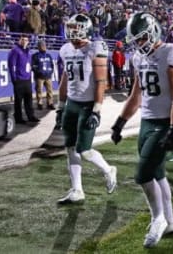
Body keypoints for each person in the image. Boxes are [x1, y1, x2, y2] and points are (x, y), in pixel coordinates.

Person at [109, 12, 173, 248]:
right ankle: (170, 221)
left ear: (153, 32)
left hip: (163, 122)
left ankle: (158, 219)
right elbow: (136, 95)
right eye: (136, 41)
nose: (139, 44)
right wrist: (120, 122)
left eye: (142, 39)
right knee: (158, 174)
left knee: (142, 174)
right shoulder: (137, 58)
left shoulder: (171, 52)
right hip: (146, 122)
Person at [56, 14, 117, 204]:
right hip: (72, 103)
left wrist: (97, 110)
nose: (72, 32)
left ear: (85, 29)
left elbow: (101, 81)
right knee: (70, 147)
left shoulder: (95, 48)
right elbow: (65, 79)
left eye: (76, 28)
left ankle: (108, 170)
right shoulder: (66, 49)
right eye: (71, 27)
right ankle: (77, 190)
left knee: (84, 150)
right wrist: (60, 106)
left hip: (88, 104)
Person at [7, 34, 38, 124]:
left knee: (29, 99)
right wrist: (14, 79)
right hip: (19, 80)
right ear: (19, 40)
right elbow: (11, 65)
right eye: (22, 39)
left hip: (27, 79)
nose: (24, 41)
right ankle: (18, 118)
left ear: (28, 42)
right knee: (18, 100)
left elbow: (29, 65)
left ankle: (30, 116)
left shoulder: (29, 52)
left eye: (26, 40)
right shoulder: (15, 50)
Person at [31, 40, 55, 110]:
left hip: (48, 77)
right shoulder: (35, 56)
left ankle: (50, 103)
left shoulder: (48, 55)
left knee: (50, 91)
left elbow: (52, 65)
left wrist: (50, 72)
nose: (43, 46)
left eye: (44, 45)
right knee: (39, 91)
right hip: (39, 77)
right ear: (38, 47)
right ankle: (39, 104)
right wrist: (38, 72)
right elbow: (33, 66)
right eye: (42, 45)